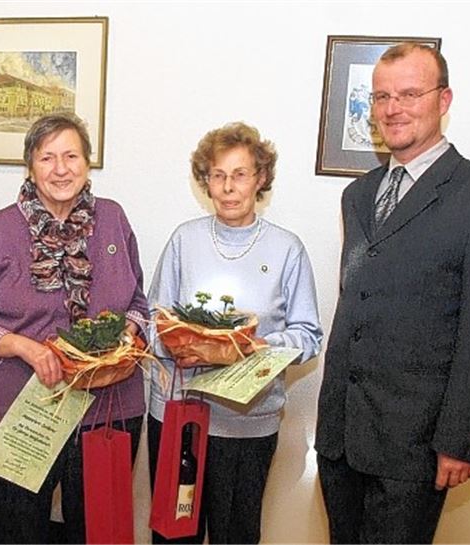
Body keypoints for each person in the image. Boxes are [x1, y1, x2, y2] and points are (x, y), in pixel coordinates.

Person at [315, 43, 470, 544]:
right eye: (382, 96)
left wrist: (461, 440)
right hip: (340, 436)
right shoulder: (359, 195)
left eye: (409, 93)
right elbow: (358, 302)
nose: (393, 108)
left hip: (416, 445)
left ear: (443, 99)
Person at [0, 114, 148, 544]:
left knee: (99, 533)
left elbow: (138, 304)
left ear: (88, 163)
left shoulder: (114, 220)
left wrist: (125, 343)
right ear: (30, 165)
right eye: (47, 157)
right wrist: (25, 347)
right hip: (14, 411)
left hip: (107, 409)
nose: (60, 169)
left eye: (71, 156)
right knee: (19, 533)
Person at [146, 122, 323, 544]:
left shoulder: (287, 249)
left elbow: (309, 335)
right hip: (179, 417)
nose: (228, 187)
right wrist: (179, 345)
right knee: (173, 536)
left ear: (260, 178)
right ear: (205, 180)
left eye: (240, 174)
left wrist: (257, 348)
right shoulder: (183, 240)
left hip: (247, 425)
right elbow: (152, 322)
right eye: (218, 175)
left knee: (236, 536)